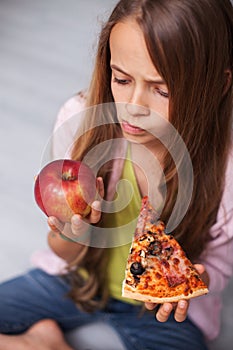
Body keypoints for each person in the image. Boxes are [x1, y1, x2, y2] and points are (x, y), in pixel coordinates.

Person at [0, 0, 233, 349]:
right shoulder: (78, 122)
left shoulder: (226, 167)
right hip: (74, 279)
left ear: (219, 83)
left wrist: (194, 278)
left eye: (162, 89)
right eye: (121, 79)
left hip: (160, 311)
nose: (133, 107)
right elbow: (62, 251)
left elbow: (219, 262)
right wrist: (73, 233)